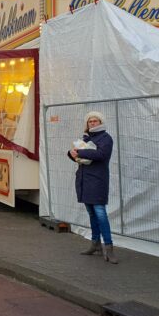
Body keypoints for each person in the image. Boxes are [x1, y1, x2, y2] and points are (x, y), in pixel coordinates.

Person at [67, 111, 117, 263]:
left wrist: (80, 151)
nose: (92, 123)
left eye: (95, 121)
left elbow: (101, 155)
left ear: (101, 122)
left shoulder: (106, 138)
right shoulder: (86, 138)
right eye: (90, 121)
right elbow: (80, 156)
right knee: (91, 213)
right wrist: (71, 154)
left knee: (100, 213)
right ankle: (95, 243)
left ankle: (109, 247)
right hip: (84, 179)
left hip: (97, 180)